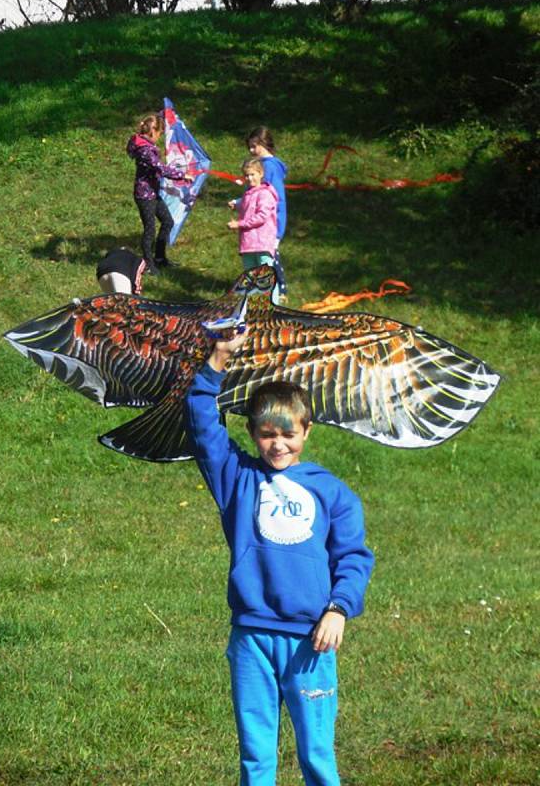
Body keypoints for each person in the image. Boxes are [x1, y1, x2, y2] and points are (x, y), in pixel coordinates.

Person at [184, 330, 375, 786]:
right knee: (256, 755)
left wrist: (339, 609)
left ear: (307, 430)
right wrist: (216, 361)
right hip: (251, 637)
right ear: (251, 433)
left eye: (289, 433)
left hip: (311, 640)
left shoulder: (333, 493)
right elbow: (201, 425)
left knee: (316, 754)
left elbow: (354, 556)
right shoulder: (236, 478)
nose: (278, 444)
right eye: (267, 434)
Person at [127, 113, 193, 274]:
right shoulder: (144, 149)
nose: (160, 137)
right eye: (160, 134)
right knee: (150, 229)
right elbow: (160, 168)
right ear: (153, 131)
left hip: (152, 193)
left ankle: (160, 258)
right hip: (144, 196)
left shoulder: (146, 146)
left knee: (167, 222)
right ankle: (148, 265)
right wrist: (182, 175)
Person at [227, 158, 280, 302]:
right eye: (246, 175)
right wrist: (236, 203)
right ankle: (253, 305)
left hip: (262, 242)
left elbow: (261, 216)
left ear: (261, 173)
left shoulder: (266, 193)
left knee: (266, 276)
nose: (249, 178)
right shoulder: (249, 192)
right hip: (248, 243)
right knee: (251, 276)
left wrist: (239, 224)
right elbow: (248, 203)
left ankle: (274, 305)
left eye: (253, 174)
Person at [247, 126, 288, 299]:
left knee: (270, 255)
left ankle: (279, 290)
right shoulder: (263, 166)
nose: (251, 150)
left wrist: (277, 225)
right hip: (263, 220)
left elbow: (277, 198)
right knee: (268, 255)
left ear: (264, 144)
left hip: (271, 221)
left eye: (254, 146)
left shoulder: (271, 167)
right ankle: (275, 288)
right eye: (249, 146)